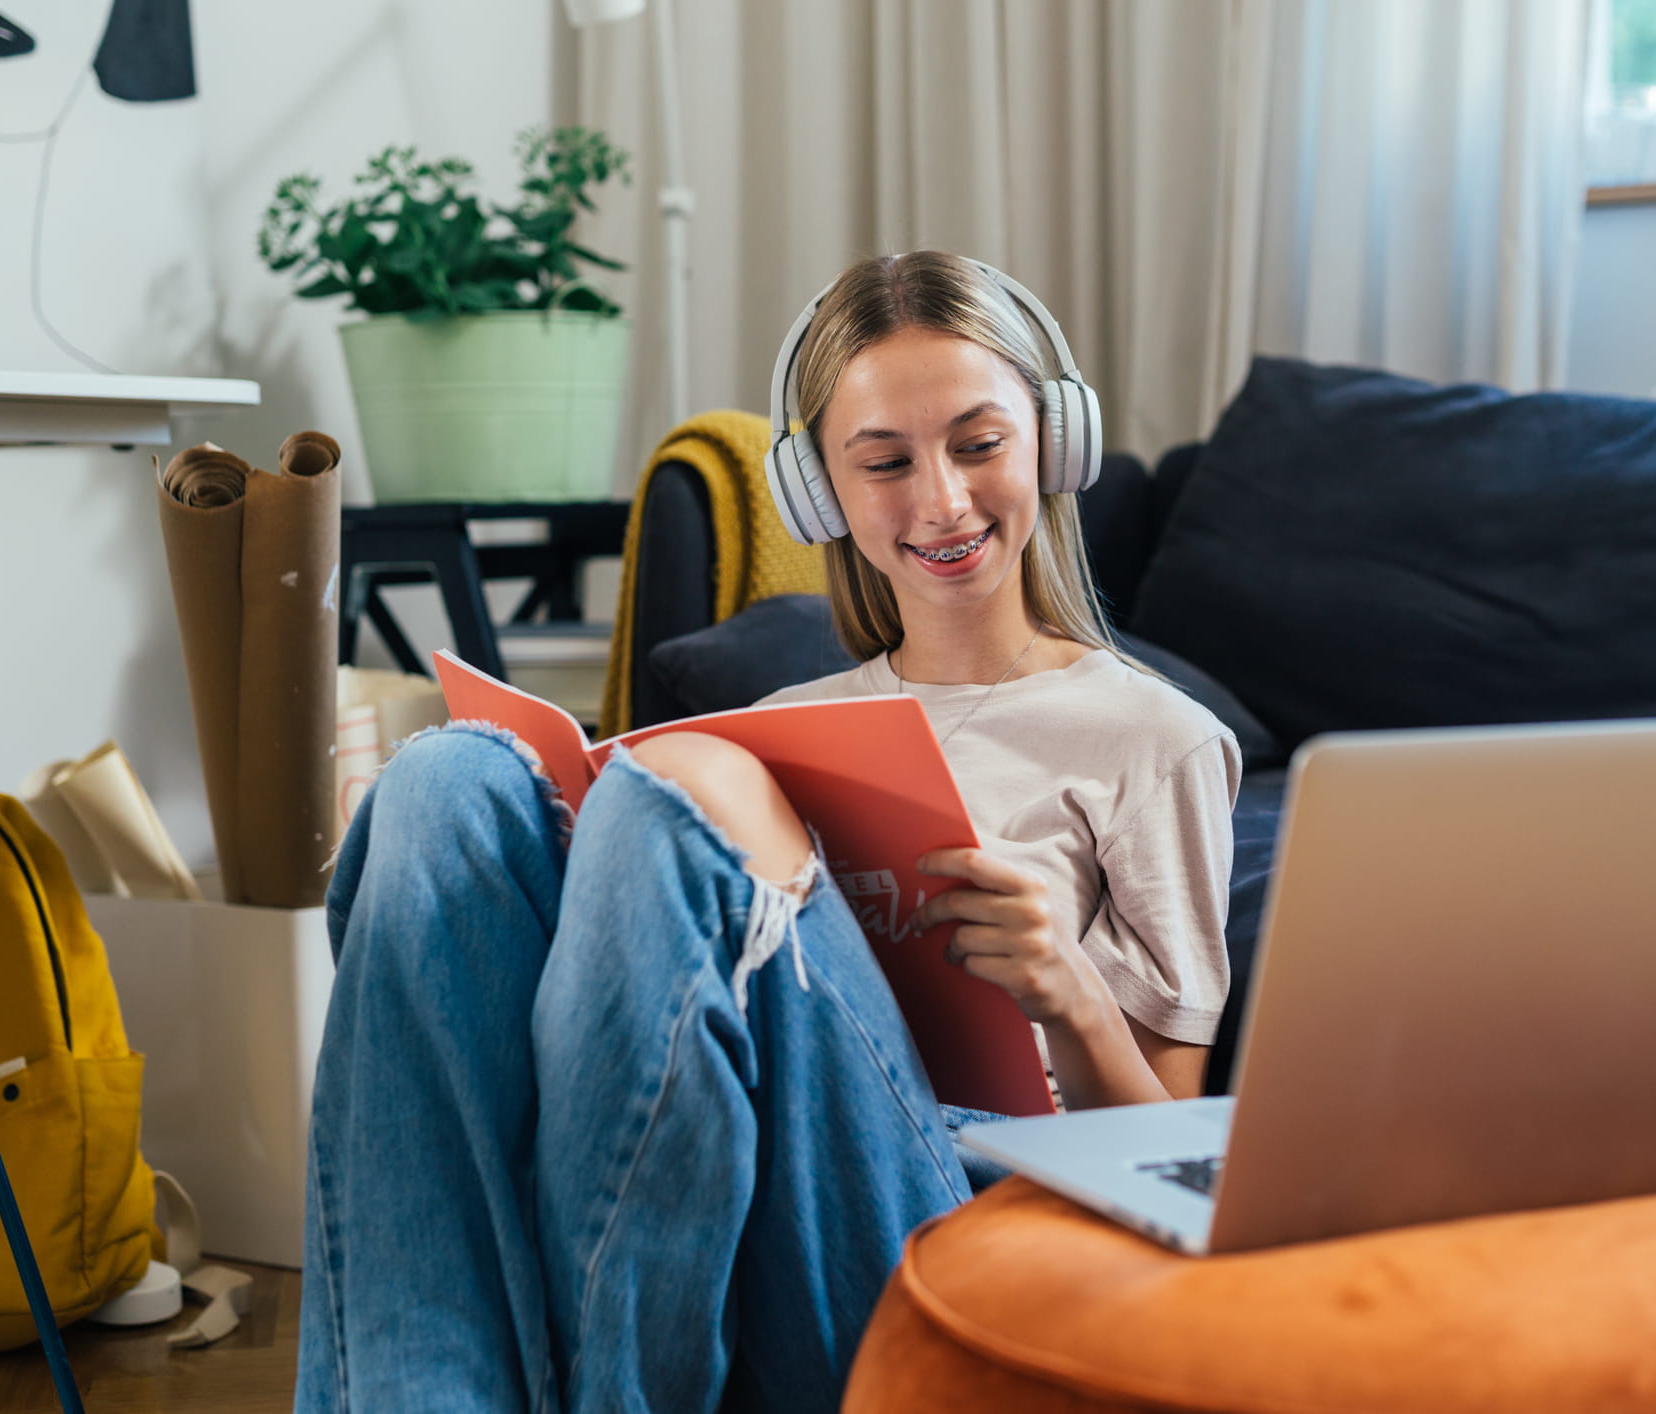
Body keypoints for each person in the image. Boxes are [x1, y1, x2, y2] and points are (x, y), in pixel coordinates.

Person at [296, 251, 1240, 1414]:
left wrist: (1071, 997)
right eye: (883, 463)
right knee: (446, 782)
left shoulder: (1153, 737)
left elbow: (1180, 1170)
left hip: (939, 1193)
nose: (940, 501)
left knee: (672, 789)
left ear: (1054, 442)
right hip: (705, 1158)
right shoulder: (781, 728)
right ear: (819, 496)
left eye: (979, 443)